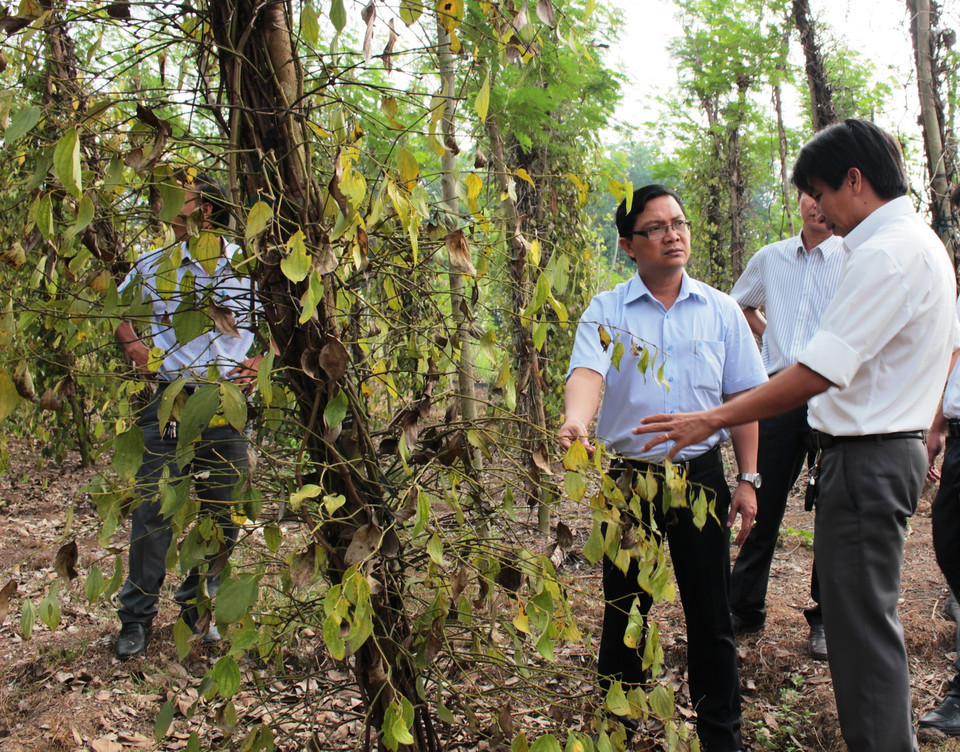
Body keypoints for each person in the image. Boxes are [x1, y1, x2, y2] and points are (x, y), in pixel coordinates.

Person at [633, 119, 958, 752]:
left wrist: (714, 418)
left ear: (855, 181)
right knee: (862, 630)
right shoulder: (916, 244)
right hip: (879, 452)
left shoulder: (887, 254)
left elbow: (816, 371)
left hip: (867, 460)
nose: (820, 210)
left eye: (821, 191)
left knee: (862, 642)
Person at [559, 184, 766, 752]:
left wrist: (747, 480)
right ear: (629, 244)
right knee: (625, 611)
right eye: (657, 227)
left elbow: (744, 398)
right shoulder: (607, 309)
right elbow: (587, 373)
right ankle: (615, 730)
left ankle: (722, 737)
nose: (673, 235)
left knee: (711, 617)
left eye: (679, 223)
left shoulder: (722, 310)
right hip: (628, 481)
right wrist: (577, 420)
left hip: (701, 477)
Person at [113, 174, 263, 660]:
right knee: (153, 511)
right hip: (172, 402)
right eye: (165, 198)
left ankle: (199, 609)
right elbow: (119, 311)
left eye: (182, 198)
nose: (169, 205)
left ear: (207, 209)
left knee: (225, 511)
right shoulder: (153, 265)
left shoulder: (246, 264)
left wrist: (257, 365)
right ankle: (135, 620)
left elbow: (281, 321)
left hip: (226, 406)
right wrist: (139, 350)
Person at [727, 190, 845, 659]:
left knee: (832, 508)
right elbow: (738, 304)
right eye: (809, 195)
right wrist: (767, 332)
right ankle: (745, 605)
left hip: (834, 393)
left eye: (825, 195)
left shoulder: (852, 256)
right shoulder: (772, 257)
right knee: (762, 499)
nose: (817, 205)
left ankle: (824, 618)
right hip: (778, 392)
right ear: (798, 200)